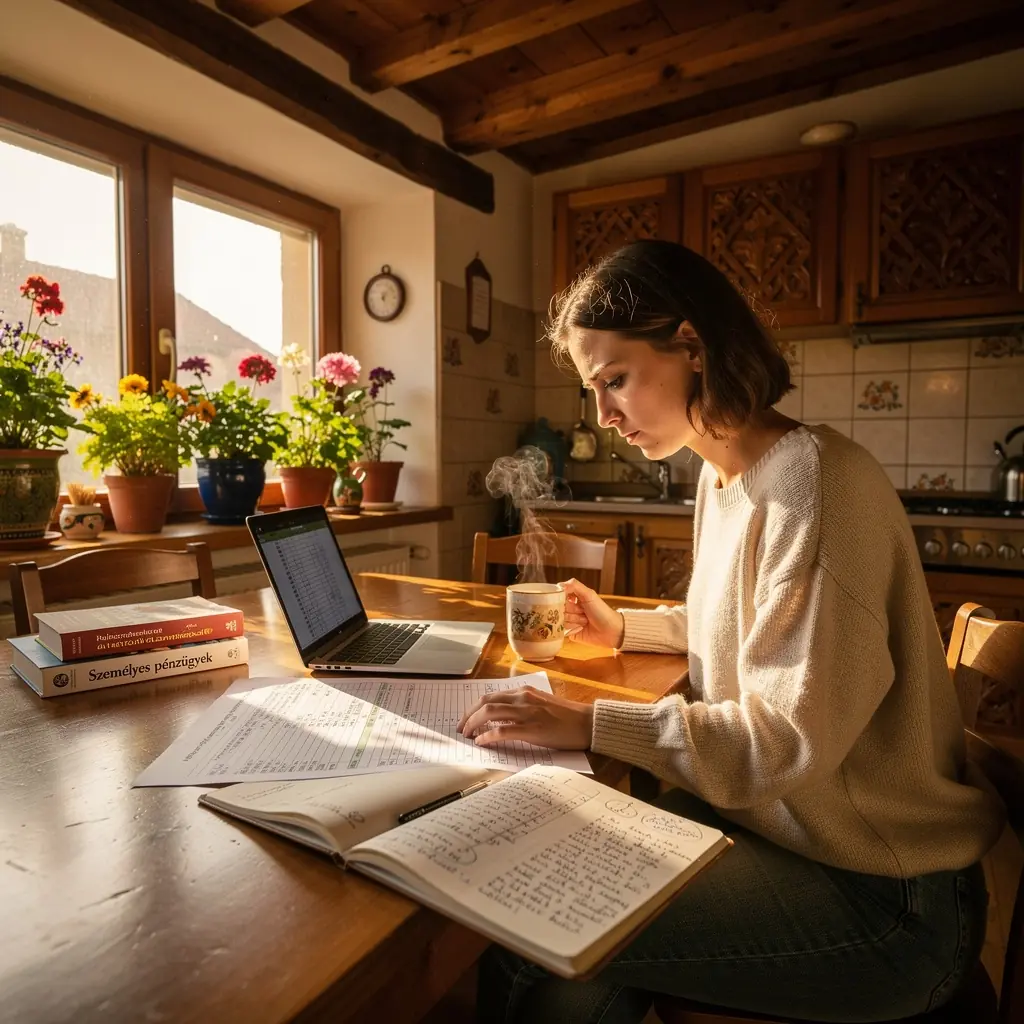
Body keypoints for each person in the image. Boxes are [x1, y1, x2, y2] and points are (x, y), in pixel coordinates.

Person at [457, 240, 1004, 1024]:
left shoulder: (814, 484)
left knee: (530, 927)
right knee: (553, 882)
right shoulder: (728, 478)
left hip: (884, 897)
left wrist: (591, 722)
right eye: (593, 390)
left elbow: (782, 736)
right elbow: (760, 627)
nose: (605, 417)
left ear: (691, 345)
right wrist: (632, 628)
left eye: (615, 380)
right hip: (793, 837)